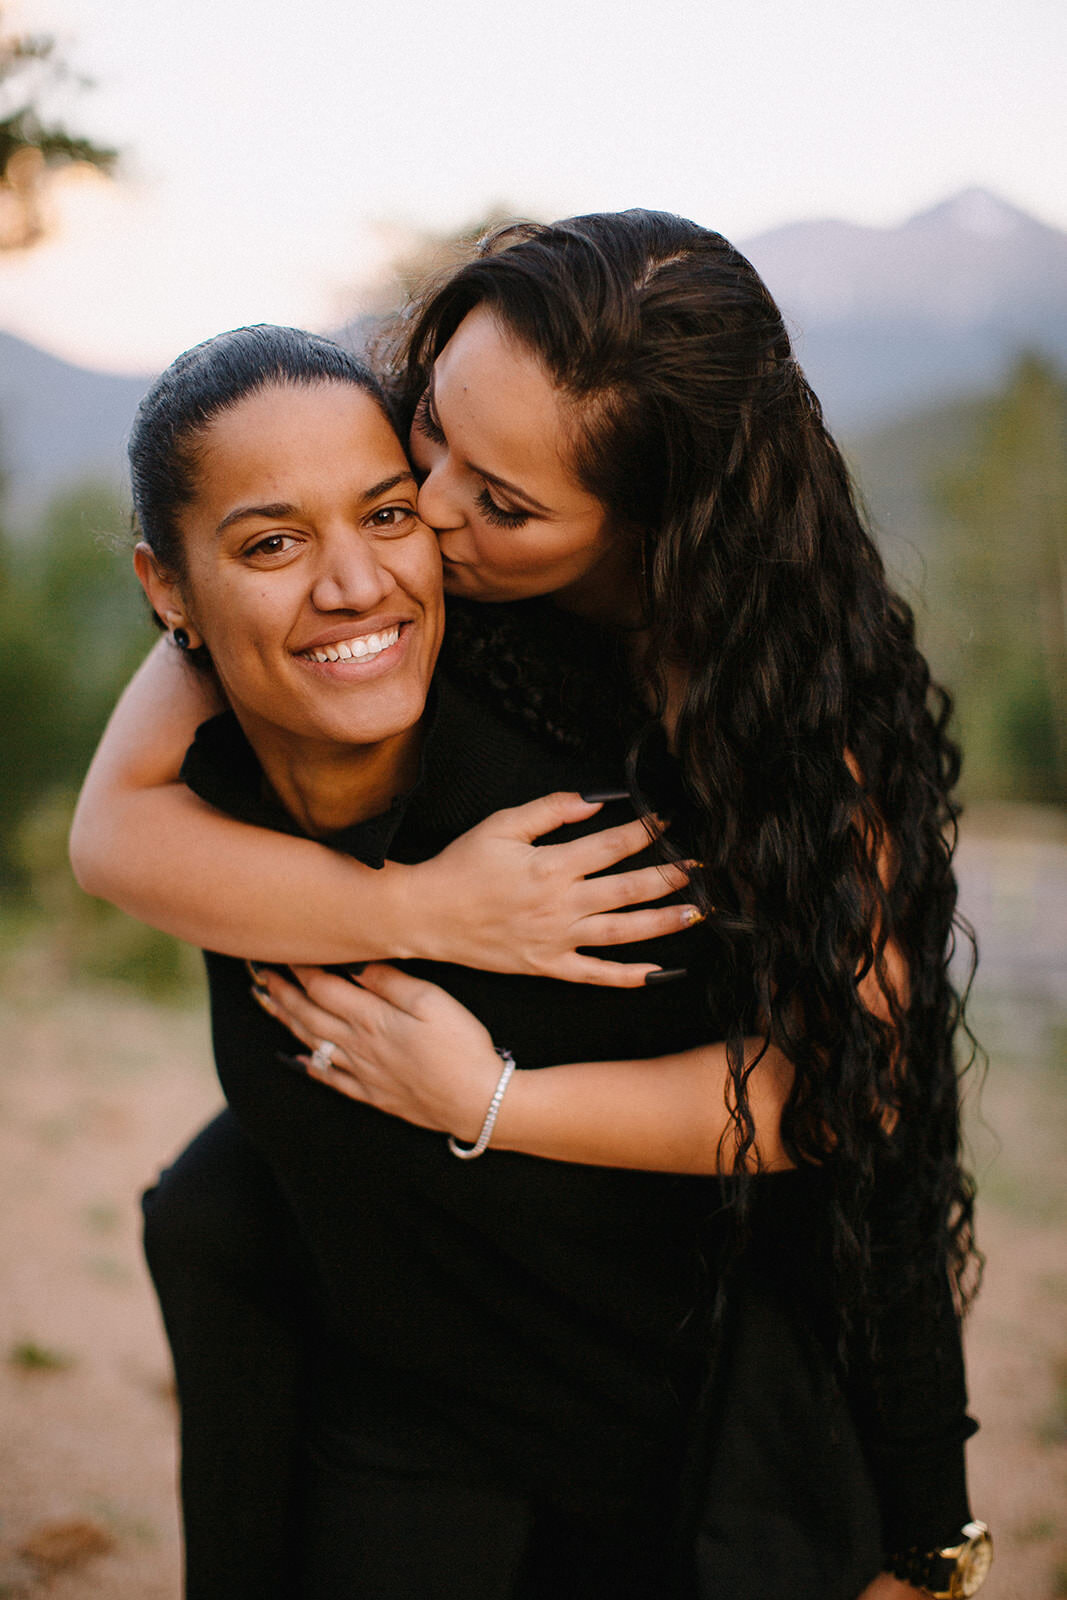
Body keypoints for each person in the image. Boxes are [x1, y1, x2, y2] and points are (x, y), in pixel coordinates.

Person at [70, 212, 987, 1600]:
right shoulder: (351, 544)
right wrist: (428, 909)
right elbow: (119, 824)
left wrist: (490, 1101)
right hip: (381, 1327)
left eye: (494, 502)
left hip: (642, 1350)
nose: (418, 517)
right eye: (424, 428)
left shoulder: (791, 721)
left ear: (651, 525)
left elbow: (863, 1105)